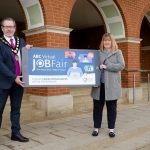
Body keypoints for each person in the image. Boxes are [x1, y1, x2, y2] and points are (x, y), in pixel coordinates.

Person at [0, 17, 32, 142]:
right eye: (6, 26)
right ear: (2, 28)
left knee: (16, 109)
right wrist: (13, 77)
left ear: (14, 28)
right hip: (3, 83)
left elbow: (25, 58)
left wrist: (28, 51)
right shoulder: (0, 42)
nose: (9, 29)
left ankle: (16, 133)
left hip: (19, 82)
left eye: (11, 26)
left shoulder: (21, 41)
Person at [91, 33, 125, 138]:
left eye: (108, 40)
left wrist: (107, 66)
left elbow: (121, 65)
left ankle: (111, 129)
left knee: (112, 108)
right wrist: (98, 67)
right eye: (105, 40)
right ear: (102, 42)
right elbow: (92, 66)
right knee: (97, 108)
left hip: (112, 86)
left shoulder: (117, 52)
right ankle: (96, 128)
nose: (106, 42)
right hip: (99, 86)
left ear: (112, 41)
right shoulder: (97, 53)